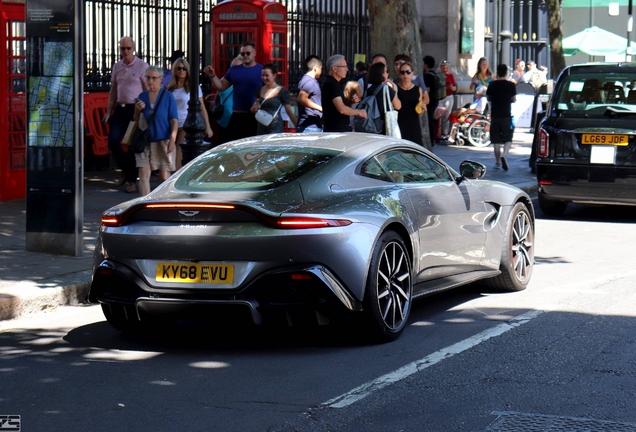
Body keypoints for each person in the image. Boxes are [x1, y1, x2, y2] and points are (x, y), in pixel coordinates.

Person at [102, 36, 148, 194]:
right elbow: (113, 90)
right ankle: (126, 170)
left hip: (134, 109)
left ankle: (131, 181)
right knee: (113, 141)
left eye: (128, 48)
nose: (126, 51)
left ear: (133, 49)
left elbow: (146, 90)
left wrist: (145, 110)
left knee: (131, 146)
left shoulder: (142, 66)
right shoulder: (117, 66)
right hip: (120, 109)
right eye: (123, 49)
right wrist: (109, 111)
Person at [203, 41, 263, 140]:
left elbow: (269, 91)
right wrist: (212, 76)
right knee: (230, 145)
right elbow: (221, 86)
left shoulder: (261, 70)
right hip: (236, 115)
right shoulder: (234, 70)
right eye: (242, 53)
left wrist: (260, 103)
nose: (245, 56)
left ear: (254, 53)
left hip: (255, 116)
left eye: (248, 53)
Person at [134, 66, 178, 195]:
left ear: (161, 79)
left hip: (163, 139)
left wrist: (172, 140)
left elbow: (174, 120)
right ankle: (144, 203)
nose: (150, 81)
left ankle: (166, 203)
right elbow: (136, 120)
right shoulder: (142, 96)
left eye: (154, 78)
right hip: (144, 141)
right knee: (143, 174)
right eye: (148, 77)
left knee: (164, 176)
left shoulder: (168, 96)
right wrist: (136, 110)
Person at [165, 57, 213, 170]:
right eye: (179, 69)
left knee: (179, 158)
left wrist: (208, 127)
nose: (181, 71)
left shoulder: (194, 88)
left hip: (185, 126)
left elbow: (202, 108)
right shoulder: (169, 88)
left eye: (184, 69)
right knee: (167, 159)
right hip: (170, 126)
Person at [321, 54, 367, 132]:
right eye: (344, 66)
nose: (347, 69)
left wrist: (351, 103)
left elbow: (336, 108)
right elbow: (342, 109)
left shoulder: (335, 84)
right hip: (336, 131)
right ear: (334, 69)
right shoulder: (331, 84)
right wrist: (359, 112)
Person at [250, 63, 297, 134]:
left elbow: (289, 111)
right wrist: (253, 109)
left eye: (267, 75)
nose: (264, 78)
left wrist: (297, 126)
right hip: (261, 126)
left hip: (275, 127)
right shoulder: (258, 91)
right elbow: (253, 108)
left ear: (274, 75)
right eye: (262, 75)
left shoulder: (282, 91)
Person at [486, 64, 517, 171]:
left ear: (497, 72)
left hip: (495, 115)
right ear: (506, 73)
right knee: (508, 138)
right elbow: (514, 99)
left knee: (496, 140)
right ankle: (505, 155)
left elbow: (489, 99)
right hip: (506, 115)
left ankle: (498, 161)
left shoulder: (492, 85)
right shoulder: (511, 85)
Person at [365, 62, 401, 135]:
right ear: (381, 74)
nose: (388, 74)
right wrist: (394, 90)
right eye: (386, 72)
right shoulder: (387, 89)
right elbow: (398, 106)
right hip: (385, 124)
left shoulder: (368, 90)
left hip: (371, 125)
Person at [214, 56, 243, 144]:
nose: (233, 69)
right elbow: (217, 96)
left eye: (237, 67)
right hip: (223, 121)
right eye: (231, 66)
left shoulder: (245, 82)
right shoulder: (224, 80)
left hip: (238, 122)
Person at [396, 61, 424, 145]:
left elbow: (419, 111)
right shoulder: (395, 88)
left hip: (414, 126)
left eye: (408, 72)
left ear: (412, 73)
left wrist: (422, 109)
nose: (405, 75)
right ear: (400, 74)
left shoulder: (418, 90)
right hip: (399, 124)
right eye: (402, 72)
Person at [296, 56, 323, 132]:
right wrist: (320, 108)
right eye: (321, 68)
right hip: (310, 126)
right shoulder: (309, 82)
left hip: (310, 125)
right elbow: (302, 98)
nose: (321, 71)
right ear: (316, 68)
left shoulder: (306, 80)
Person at [423, 55, 440, 144]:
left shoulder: (427, 76)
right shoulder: (434, 73)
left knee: (430, 120)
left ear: (426, 64)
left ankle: (431, 140)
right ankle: (432, 139)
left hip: (429, 101)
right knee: (432, 120)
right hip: (435, 99)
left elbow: (427, 89)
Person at [438, 60, 457, 139]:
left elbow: (455, 87)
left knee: (447, 115)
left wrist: (451, 87)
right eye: (443, 66)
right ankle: (438, 133)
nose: (445, 68)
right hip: (440, 97)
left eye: (446, 67)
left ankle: (445, 133)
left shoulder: (450, 75)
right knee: (438, 115)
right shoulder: (438, 75)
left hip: (449, 96)